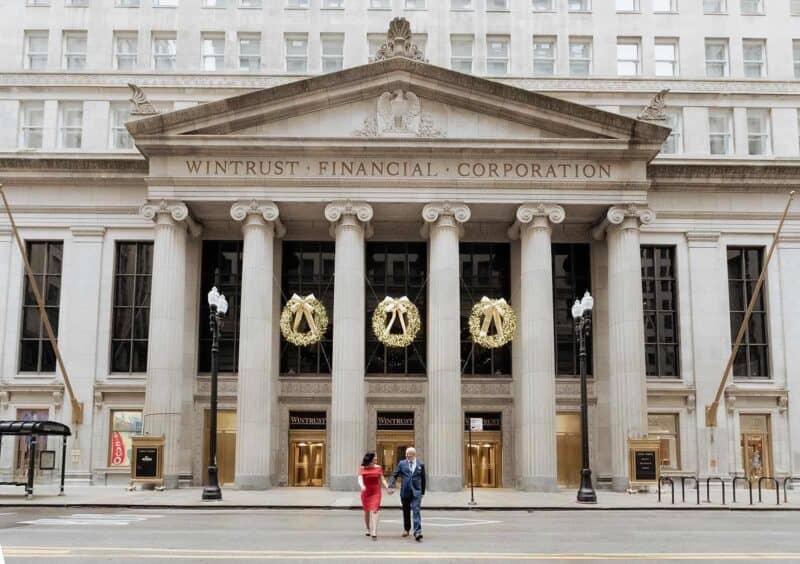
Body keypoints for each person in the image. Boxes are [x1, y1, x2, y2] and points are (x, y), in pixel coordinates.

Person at [388, 447, 425, 542]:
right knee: (406, 511)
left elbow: (423, 479)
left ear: (413, 455)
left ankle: (417, 532)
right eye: (406, 454)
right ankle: (407, 529)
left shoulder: (420, 465)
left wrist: (422, 492)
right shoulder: (402, 464)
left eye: (408, 454)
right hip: (405, 491)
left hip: (416, 492)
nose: (406, 456)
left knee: (416, 510)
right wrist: (391, 485)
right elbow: (394, 475)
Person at [358, 451, 390, 540]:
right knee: (366, 511)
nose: (376, 458)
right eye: (375, 457)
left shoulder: (378, 468)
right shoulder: (362, 468)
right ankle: (368, 528)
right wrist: (362, 486)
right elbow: (360, 478)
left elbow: (382, 479)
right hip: (366, 491)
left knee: (375, 510)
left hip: (376, 491)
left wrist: (387, 488)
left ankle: (374, 531)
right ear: (370, 458)